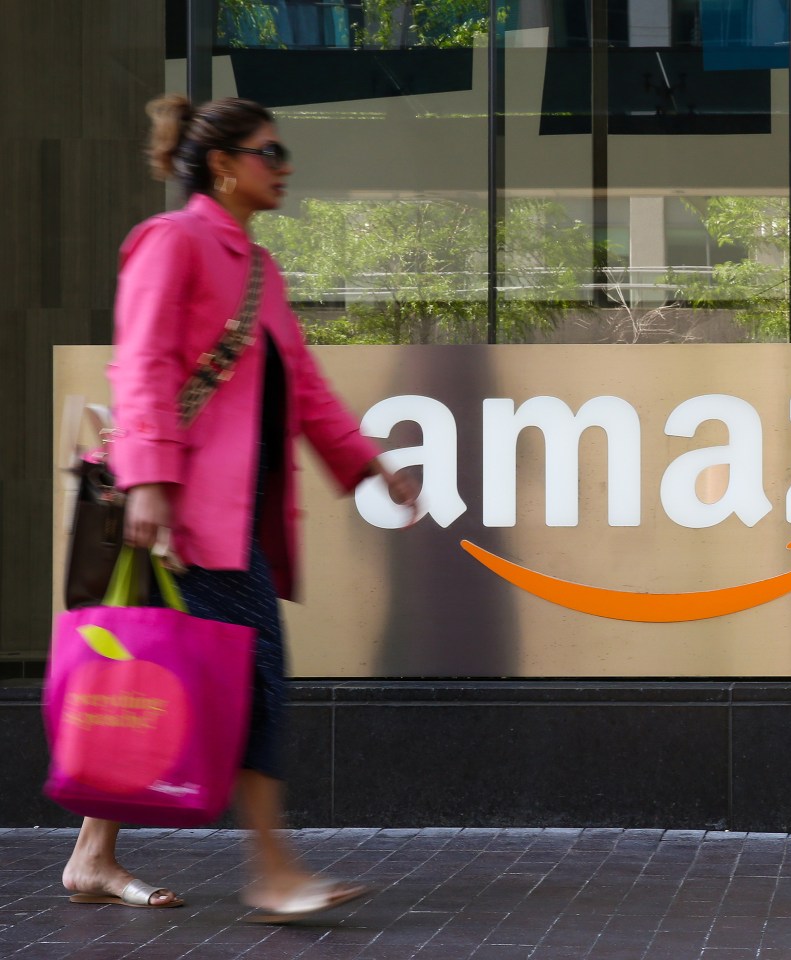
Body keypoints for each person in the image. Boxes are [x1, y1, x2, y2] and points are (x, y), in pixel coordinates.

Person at [60, 95, 419, 923]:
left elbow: (307, 394)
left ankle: (91, 855)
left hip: (230, 519)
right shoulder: (174, 240)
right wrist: (150, 478)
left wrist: (369, 465)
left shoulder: (258, 271)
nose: (284, 166)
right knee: (251, 685)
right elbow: (141, 361)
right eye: (270, 151)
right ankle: (271, 872)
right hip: (186, 520)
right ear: (222, 164)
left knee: (148, 672)